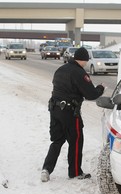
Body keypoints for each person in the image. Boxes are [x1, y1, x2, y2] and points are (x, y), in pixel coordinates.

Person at [41, 47, 105, 182]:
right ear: (84, 60)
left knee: (57, 140)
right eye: (86, 61)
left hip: (55, 110)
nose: (86, 64)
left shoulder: (60, 69)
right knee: (76, 141)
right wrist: (101, 88)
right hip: (70, 113)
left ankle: (46, 169)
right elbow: (91, 94)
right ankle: (75, 172)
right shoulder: (79, 72)